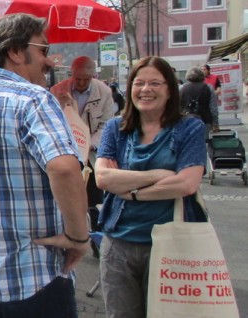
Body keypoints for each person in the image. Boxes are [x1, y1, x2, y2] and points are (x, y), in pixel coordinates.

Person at [0, 14, 89, 317]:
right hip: (32, 275)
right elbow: (64, 168)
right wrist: (78, 237)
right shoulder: (32, 98)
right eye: (43, 50)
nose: (48, 62)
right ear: (14, 51)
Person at [95, 56, 206, 318]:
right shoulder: (115, 127)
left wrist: (130, 190)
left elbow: (187, 183)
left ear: (170, 89)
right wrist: (158, 174)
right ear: (130, 87)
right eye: (139, 83)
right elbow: (103, 179)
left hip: (170, 244)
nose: (146, 90)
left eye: (155, 83)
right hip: (118, 244)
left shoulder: (190, 127)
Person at [51, 55, 117, 208]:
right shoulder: (57, 90)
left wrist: (89, 144)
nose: (80, 83)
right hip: (66, 152)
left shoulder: (104, 92)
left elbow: (106, 125)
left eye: (85, 79)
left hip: (91, 155)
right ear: (71, 75)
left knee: (93, 197)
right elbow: (50, 123)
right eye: (77, 78)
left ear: (93, 76)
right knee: (67, 197)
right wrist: (61, 106)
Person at [180, 67, 218, 138]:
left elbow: (179, 107)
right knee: (203, 142)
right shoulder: (209, 88)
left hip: (186, 120)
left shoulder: (182, 88)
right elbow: (213, 108)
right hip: (205, 120)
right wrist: (215, 123)